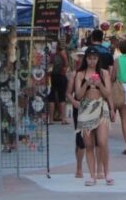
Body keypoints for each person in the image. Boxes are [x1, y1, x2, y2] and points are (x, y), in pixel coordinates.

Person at [74, 47, 113, 186]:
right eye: (89, 58)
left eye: (94, 59)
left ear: (98, 59)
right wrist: (87, 83)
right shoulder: (80, 74)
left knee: (102, 141)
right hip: (85, 108)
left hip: (101, 107)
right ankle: (92, 175)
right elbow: (78, 95)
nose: (92, 61)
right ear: (86, 59)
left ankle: (106, 171)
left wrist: (99, 84)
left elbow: (108, 94)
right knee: (89, 144)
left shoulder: (104, 73)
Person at [66, 47, 87, 178]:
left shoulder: (93, 73)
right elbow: (68, 92)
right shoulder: (74, 74)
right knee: (80, 138)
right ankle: (79, 167)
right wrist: (73, 101)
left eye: (82, 57)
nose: (80, 59)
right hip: (78, 107)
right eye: (78, 57)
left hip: (91, 107)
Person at [48, 41, 69, 125]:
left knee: (51, 97)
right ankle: (63, 119)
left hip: (52, 76)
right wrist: (65, 68)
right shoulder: (62, 51)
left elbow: (48, 64)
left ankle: (51, 120)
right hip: (61, 75)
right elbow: (66, 63)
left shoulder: (50, 52)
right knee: (62, 97)